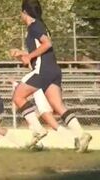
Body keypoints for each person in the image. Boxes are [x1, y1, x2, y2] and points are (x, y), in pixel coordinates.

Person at [11, 0, 92, 152]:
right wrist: (23, 54)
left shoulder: (34, 26)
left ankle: (37, 130)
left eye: (21, 12)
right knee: (58, 105)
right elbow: (41, 50)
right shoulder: (39, 26)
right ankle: (82, 134)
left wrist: (29, 57)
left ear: (25, 12)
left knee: (18, 97)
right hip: (52, 69)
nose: (20, 15)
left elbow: (47, 44)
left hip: (43, 70)